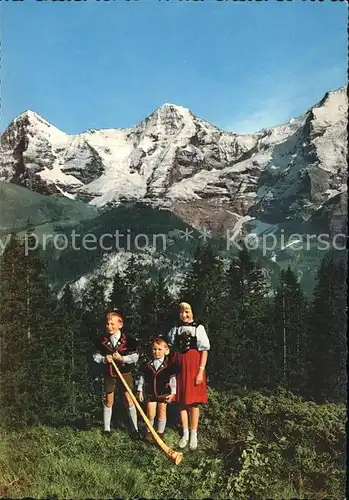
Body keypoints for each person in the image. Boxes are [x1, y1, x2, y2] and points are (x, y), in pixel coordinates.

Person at [167, 302, 210, 450]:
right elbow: (170, 348)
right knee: (181, 401)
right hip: (179, 366)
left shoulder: (199, 328)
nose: (184, 315)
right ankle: (184, 433)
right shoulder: (175, 329)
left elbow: (204, 351)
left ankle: (194, 433)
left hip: (193, 367)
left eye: (187, 312)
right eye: (181, 312)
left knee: (193, 403)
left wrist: (200, 371)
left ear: (193, 312)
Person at [93, 310, 139, 437]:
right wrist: (104, 359)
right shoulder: (101, 340)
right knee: (109, 399)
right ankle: (107, 429)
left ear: (120, 324)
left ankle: (135, 429)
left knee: (128, 398)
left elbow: (135, 357)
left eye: (113, 324)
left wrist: (122, 359)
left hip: (125, 373)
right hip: (109, 373)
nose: (109, 327)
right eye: (108, 324)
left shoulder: (129, 340)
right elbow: (95, 356)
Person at [137, 336, 178, 442]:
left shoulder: (169, 365)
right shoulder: (147, 364)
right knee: (150, 414)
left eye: (160, 349)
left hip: (163, 393)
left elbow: (173, 381)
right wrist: (140, 390)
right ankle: (149, 432)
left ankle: (160, 433)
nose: (157, 352)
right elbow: (142, 378)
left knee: (162, 412)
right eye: (154, 349)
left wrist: (173, 393)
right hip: (150, 393)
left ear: (166, 351)